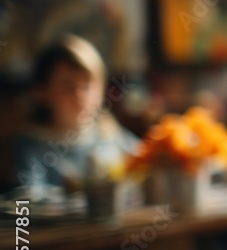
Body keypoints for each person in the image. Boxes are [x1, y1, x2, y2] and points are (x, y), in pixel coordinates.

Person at [12, 33, 138, 193]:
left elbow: (145, 162)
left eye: (86, 85)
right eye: (68, 87)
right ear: (41, 92)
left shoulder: (110, 134)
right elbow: (26, 204)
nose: (80, 96)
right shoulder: (32, 146)